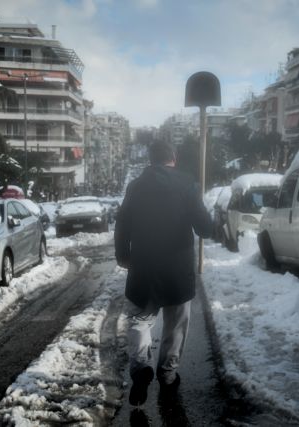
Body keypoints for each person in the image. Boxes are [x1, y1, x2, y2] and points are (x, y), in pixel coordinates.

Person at [114, 141, 213, 406]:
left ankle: (140, 368)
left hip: (143, 269)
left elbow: (122, 224)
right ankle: (168, 375)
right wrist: (208, 223)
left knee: (139, 320)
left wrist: (123, 256)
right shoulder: (188, 184)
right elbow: (204, 227)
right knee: (176, 325)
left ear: (150, 159)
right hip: (177, 270)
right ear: (174, 158)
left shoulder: (135, 187)